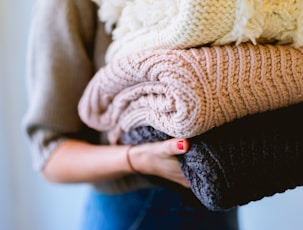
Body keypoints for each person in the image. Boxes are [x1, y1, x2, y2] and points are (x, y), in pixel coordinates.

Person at [23, 0, 238, 229]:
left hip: (218, 196)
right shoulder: (66, 5)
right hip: (137, 208)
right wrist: (136, 159)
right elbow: (50, 157)